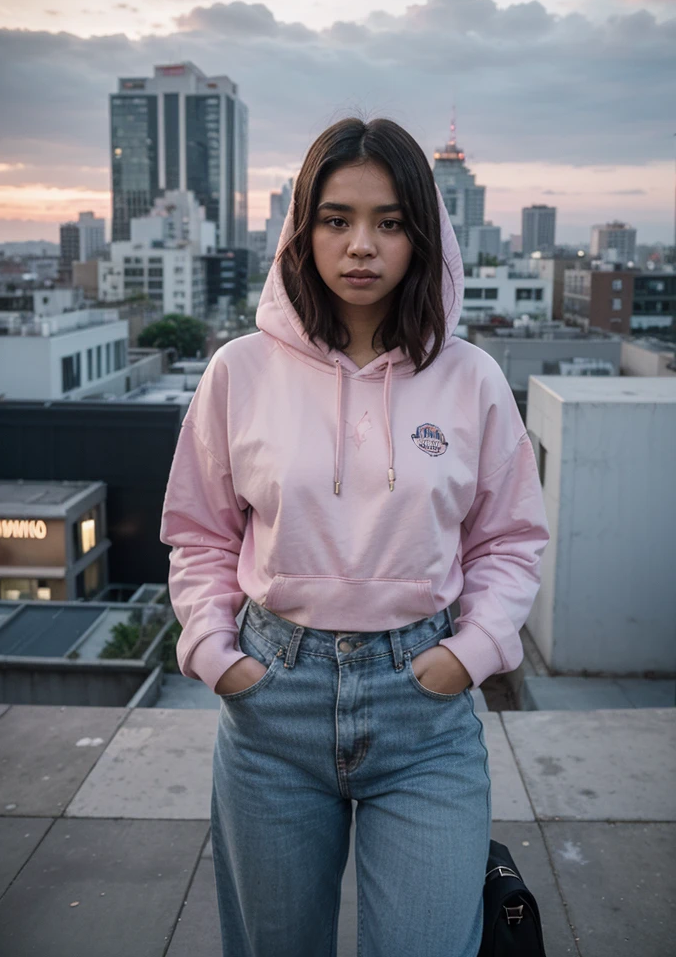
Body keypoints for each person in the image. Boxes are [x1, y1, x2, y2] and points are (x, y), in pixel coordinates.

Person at [159, 116, 550, 957]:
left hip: (425, 710)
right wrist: (217, 654)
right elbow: (197, 532)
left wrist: (471, 651)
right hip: (274, 704)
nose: (362, 245)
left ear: (424, 234)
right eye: (336, 219)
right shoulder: (239, 371)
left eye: (390, 221)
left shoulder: (472, 378)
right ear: (304, 231)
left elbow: (512, 539)